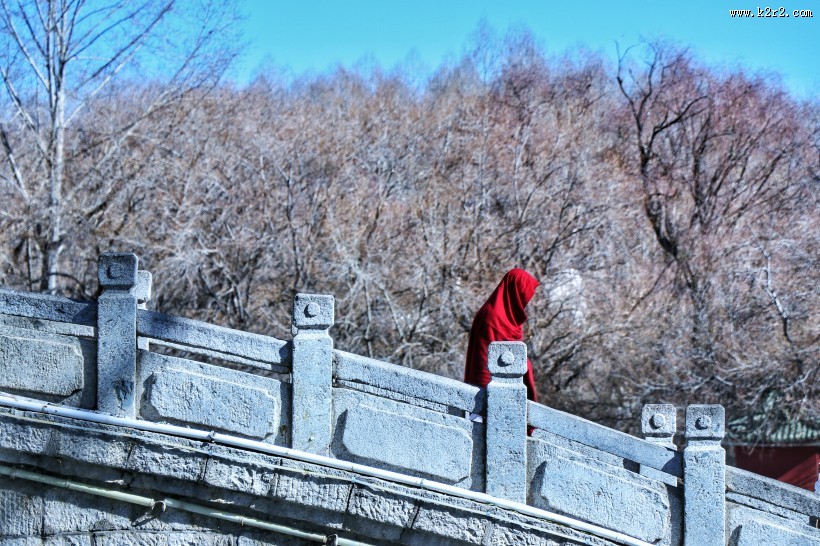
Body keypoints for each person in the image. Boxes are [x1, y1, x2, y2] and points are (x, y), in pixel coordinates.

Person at [464, 268, 540, 411]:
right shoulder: (494, 317)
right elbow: (484, 362)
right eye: (525, 295)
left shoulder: (508, 314)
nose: (527, 301)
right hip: (489, 394)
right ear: (516, 292)